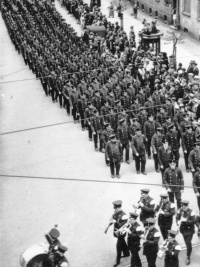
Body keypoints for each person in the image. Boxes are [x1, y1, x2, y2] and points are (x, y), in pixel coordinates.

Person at [176, 200, 196, 265]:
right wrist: (177, 222)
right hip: (183, 230)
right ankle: (189, 249)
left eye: (185, 206)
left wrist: (186, 221)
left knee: (188, 242)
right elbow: (177, 218)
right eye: (182, 206)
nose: (183, 208)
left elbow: (193, 221)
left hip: (190, 230)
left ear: (187, 206)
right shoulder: (180, 210)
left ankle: (188, 256)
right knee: (186, 242)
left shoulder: (191, 212)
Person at [111, 200, 130, 267]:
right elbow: (113, 219)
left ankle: (118, 261)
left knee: (118, 247)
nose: (115, 210)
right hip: (118, 232)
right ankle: (127, 253)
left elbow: (122, 225)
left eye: (116, 208)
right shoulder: (116, 213)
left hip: (122, 233)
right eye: (115, 208)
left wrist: (115, 222)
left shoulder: (124, 215)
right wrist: (111, 221)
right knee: (123, 243)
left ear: (119, 208)